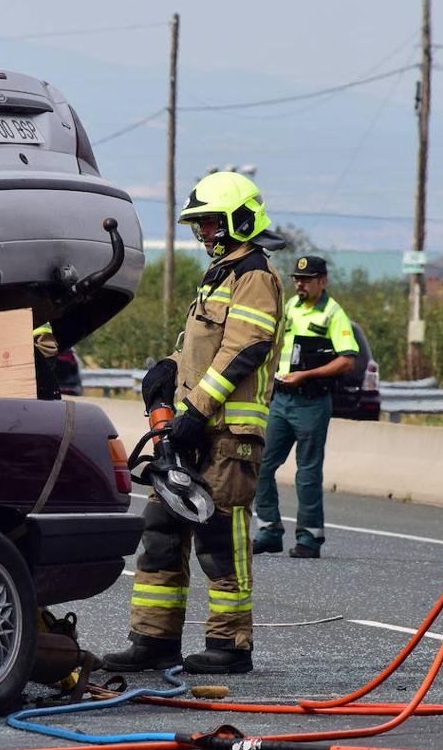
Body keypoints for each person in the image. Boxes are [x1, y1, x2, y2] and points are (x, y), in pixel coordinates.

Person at [100, 171, 284, 675]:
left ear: (239, 221)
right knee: (160, 530)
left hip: (227, 437)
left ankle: (231, 646)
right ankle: (153, 641)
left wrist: (198, 409)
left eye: (208, 224)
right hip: (190, 432)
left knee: (220, 538)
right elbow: (202, 349)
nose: (202, 234)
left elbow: (243, 349)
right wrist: (168, 370)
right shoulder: (220, 277)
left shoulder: (255, 276)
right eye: (198, 225)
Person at [252, 256, 359, 559]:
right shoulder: (291, 308)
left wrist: (307, 375)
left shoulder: (332, 313)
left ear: (322, 281)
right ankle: (269, 530)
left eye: (307, 279)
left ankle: (310, 538)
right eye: (297, 279)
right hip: (281, 399)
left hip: (311, 402)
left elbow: (347, 359)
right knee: (261, 465)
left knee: (307, 472)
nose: (300, 284)